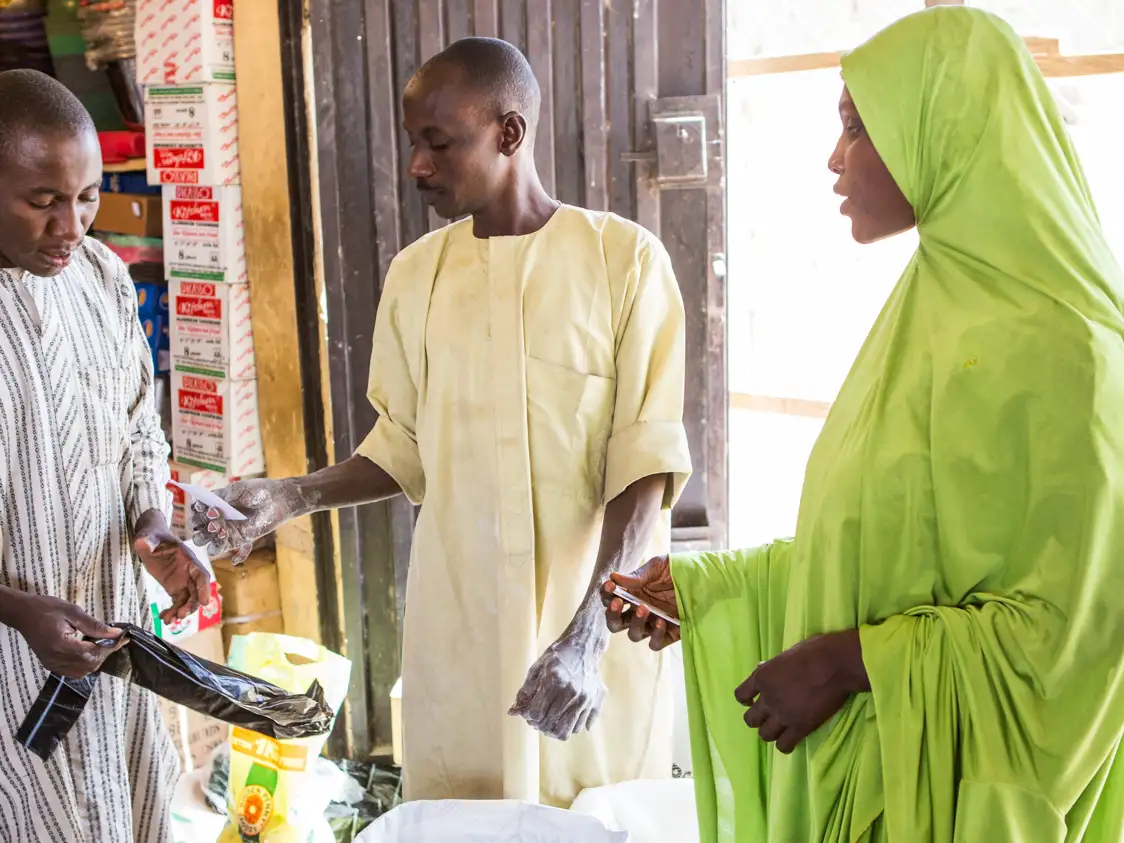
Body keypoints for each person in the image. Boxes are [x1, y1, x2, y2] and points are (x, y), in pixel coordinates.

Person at [605, 8, 1124, 842]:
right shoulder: (925, 318)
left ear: (943, 127)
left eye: (855, 126)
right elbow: (888, 556)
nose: (834, 157)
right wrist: (708, 593)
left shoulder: (1075, 354)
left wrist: (846, 663)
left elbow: (1078, 639)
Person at [193, 37, 692, 807]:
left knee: (593, 815)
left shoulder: (624, 262)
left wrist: (588, 635)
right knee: (463, 814)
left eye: (439, 142)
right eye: (412, 143)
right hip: (458, 631)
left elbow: (646, 461)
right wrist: (293, 494)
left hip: (591, 631)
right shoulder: (416, 276)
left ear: (509, 134)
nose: (417, 165)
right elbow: (402, 446)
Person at [0, 69, 210, 843]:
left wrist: (152, 527)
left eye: (86, 196)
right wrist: (18, 610)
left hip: (108, 650)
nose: (72, 226)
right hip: (11, 672)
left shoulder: (102, 278)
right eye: (43, 201)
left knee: (125, 810)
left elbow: (136, 430)